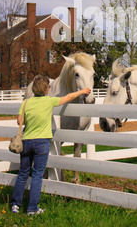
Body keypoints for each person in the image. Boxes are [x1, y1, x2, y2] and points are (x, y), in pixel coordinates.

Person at [11, 74, 91, 216]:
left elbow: (19, 122)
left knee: (23, 173)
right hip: (41, 143)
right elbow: (67, 98)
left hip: (26, 142)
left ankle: (15, 205)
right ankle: (32, 208)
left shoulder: (26, 103)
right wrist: (82, 91)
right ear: (46, 89)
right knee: (37, 175)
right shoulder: (49, 102)